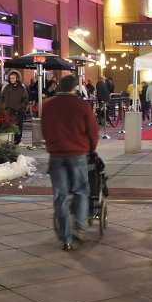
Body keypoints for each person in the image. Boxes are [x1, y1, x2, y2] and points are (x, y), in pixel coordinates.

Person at [41, 75, 99, 251]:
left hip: (57, 155)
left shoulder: (48, 105)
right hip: (77, 154)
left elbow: (44, 129)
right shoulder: (82, 106)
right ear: (75, 88)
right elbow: (92, 130)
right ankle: (79, 228)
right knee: (81, 191)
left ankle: (65, 238)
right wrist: (90, 148)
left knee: (60, 196)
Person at [1, 71, 30, 142]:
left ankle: (17, 141)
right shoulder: (7, 87)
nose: (11, 80)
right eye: (10, 78)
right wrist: (4, 106)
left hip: (18, 111)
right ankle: (9, 141)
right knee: (9, 127)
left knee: (18, 127)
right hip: (8, 110)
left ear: (17, 78)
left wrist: (21, 108)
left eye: (13, 78)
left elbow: (25, 99)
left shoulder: (21, 88)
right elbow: (2, 97)